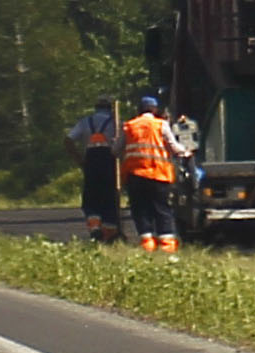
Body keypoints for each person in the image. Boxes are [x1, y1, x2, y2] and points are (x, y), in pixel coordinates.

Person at [122, 93, 185, 253]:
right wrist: (186, 152)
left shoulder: (129, 125)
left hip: (135, 175)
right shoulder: (161, 125)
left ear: (139, 109)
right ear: (155, 109)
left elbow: (116, 150)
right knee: (162, 208)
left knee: (140, 209)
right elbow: (173, 146)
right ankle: (167, 245)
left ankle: (147, 243)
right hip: (159, 174)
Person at [66, 100, 123, 243]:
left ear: (95, 108)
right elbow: (124, 143)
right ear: (110, 109)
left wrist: (79, 159)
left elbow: (68, 140)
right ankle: (109, 232)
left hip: (90, 162)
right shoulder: (116, 123)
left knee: (91, 197)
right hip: (109, 162)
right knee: (109, 197)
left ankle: (95, 227)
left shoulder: (85, 122)